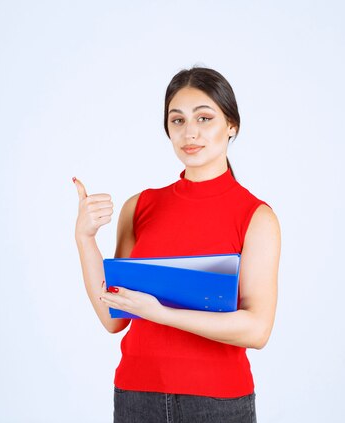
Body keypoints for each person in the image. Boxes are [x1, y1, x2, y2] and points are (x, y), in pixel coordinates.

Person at [72, 66, 281, 423]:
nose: (190, 132)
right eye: (178, 120)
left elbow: (257, 330)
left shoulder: (256, 216)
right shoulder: (139, 206)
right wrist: (85, 238)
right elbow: (113, 317)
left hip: (217, 402)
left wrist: (162, 314)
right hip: (137, 396)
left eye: (204, 118)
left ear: (231, 126)